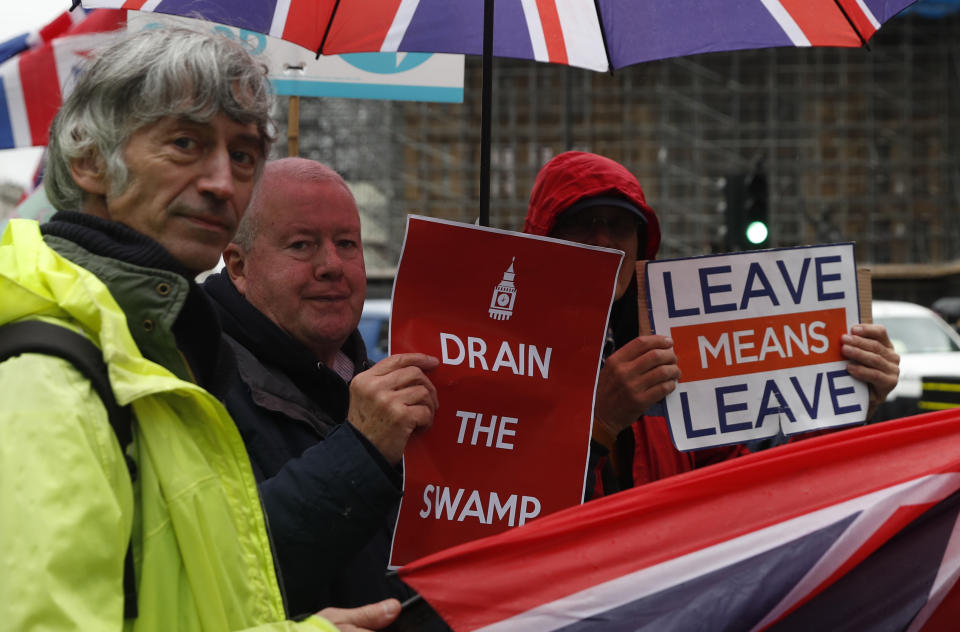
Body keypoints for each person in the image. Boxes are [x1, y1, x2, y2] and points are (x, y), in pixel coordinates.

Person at [0, 27, 400, 631]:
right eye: (185, 143)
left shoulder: (167, 351)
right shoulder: (48, 373)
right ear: (88, 161)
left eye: (243, 156)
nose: (222, 183)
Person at [524, 151, 901, 497]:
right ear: (543, 238)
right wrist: (598, 426)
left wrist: (846, 410)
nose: (603, 241)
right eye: (581, 223)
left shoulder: (672, 365)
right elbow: (493, 511)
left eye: (620, 225)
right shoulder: (494, 362)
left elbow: (754, 488)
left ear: (641, 246)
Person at [203, 158, 439, 616]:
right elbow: (229, 570)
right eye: (301, 245)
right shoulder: (198, 383)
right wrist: (362, 450)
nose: (332, 265)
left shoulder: (386, 388)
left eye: (347, 243)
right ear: (238, 265)